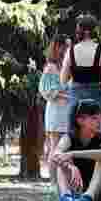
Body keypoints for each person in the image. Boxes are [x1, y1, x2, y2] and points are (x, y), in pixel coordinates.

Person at [51, 100, 101, 201]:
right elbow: (56, 155)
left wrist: (73, 154)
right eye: (95, 118)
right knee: (62, 162)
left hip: (99, 195)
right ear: (80, 121)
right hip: (77, 191)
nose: (100, 121)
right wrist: (70, 166)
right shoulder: (68, 137)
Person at [60, 15, 101, 132]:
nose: (76, 32)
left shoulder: (71, 51)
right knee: (99, 135)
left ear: (85, 32)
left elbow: (63, 80)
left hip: (76, 100)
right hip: (97, 99)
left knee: (74, 135)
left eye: (78, 29)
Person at [40, 34, 72, 170]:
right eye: (67, 46)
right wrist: (67, 96)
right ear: (58, 47)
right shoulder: (51, 67)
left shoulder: (67, 67)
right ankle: (54, 179)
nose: (69, 49)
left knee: (66, 148)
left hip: (67, 111)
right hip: (56, 112)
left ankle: (63, 178)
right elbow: (46, 91)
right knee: (55, 147)